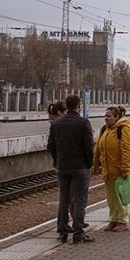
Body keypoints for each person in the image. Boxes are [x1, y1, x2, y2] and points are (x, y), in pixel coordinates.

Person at [47, 95, 94, 244]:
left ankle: (62, 231)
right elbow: (88, 146)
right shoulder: (83, 123)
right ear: (79, 105)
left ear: (67, 106)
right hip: (80, 167)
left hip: (63, 166)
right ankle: (78, 232)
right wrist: (89, 163)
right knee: (80, 199)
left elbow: (51, 146)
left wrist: (57, 160)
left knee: (64, 199)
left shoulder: (56, 123)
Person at [92, 105, 130, 232]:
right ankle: (114, 218)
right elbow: (98, 149)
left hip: (120, 170)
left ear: (116, 117)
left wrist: (126, 168)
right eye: (105, 115)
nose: (106, 118)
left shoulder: (123, 129)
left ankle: (122, 220)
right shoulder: (105, 129)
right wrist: (95, 166)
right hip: (108, 170)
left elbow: (127, 150)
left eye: (108, 116)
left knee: (121, 197)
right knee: (111, 198)